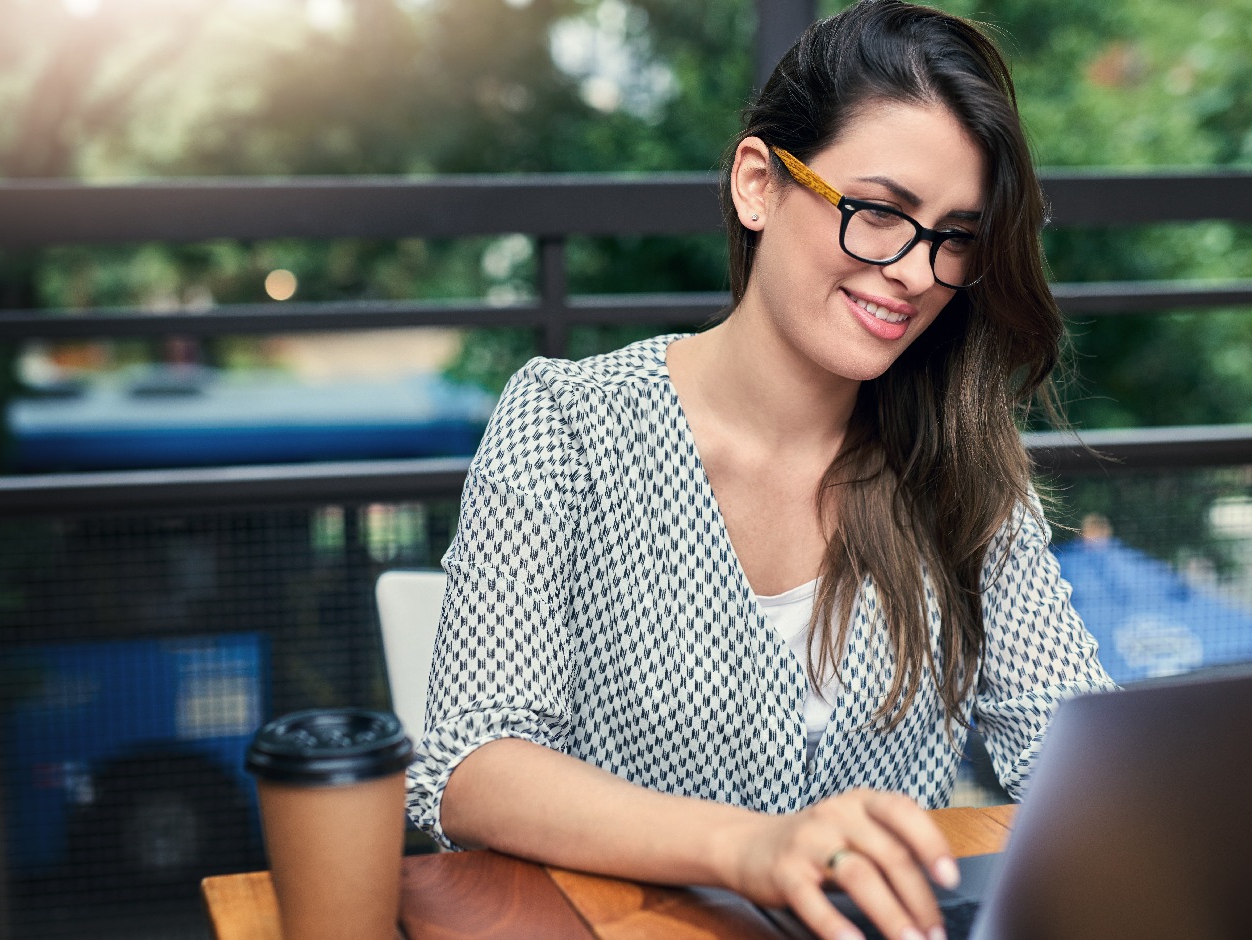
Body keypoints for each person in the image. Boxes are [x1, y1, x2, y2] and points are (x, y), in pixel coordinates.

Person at [405, 2, 1115, 939]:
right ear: (758, 184)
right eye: (879, 212)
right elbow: (471, 763)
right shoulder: (568, 425)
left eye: (953, 236)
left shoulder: (964, 466)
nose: (914, 272)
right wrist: (751, 848)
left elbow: (1078, 757)